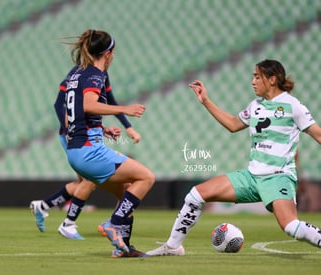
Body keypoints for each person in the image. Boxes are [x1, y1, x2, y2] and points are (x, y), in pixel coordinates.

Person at [146, 59, 321, 256]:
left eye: (257, 77)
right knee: (195, 195)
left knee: (291, 227)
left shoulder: (292, 106)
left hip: (278, 177)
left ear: (272, 80)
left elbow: (318, 134)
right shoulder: (256, 105)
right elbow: (233, 124)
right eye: (253, 77)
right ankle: (172, 247)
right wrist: (206, 102)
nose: (253, 82)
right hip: (251, 176)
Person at [44, 29, 155, 257]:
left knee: (125, 192)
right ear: (108, 53)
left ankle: (122, 248)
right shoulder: (95, 75)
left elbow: (70, 113)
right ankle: (113, 223)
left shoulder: (76, 75)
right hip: (89, 153)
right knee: (146, 177)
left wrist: (102, 129)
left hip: (76, 151)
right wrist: (125, 110)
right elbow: (88, 105)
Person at [30, 68, 141, 241]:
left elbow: (109, 100)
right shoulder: (80, 73)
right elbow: (59, 104)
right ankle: (68, 223)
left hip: (85, 134)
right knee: (89, 180)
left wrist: (126, 127)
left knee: (86, 181)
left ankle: (44, 206)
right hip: (76, 135)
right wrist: (70, 129)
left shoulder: (99, 73)